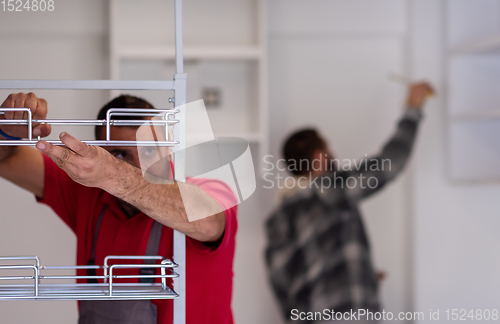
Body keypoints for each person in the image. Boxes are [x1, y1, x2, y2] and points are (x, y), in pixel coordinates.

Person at [0, 93, 238, 324]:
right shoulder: (87, 194)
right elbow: (6, 160)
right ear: (102, 154)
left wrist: (114, 172)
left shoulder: (208, 191)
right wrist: (5, 131)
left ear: (167, 149)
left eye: (149, 151)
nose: (139, 166)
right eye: (121, 154)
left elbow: (209, 223)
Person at [265, 83, 434, 323]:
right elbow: (389, 163)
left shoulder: (277, 220)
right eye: (327, 147)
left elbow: (282, 287)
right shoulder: (329, 190)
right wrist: (413, 108)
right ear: (319, 157)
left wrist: (358, 278)